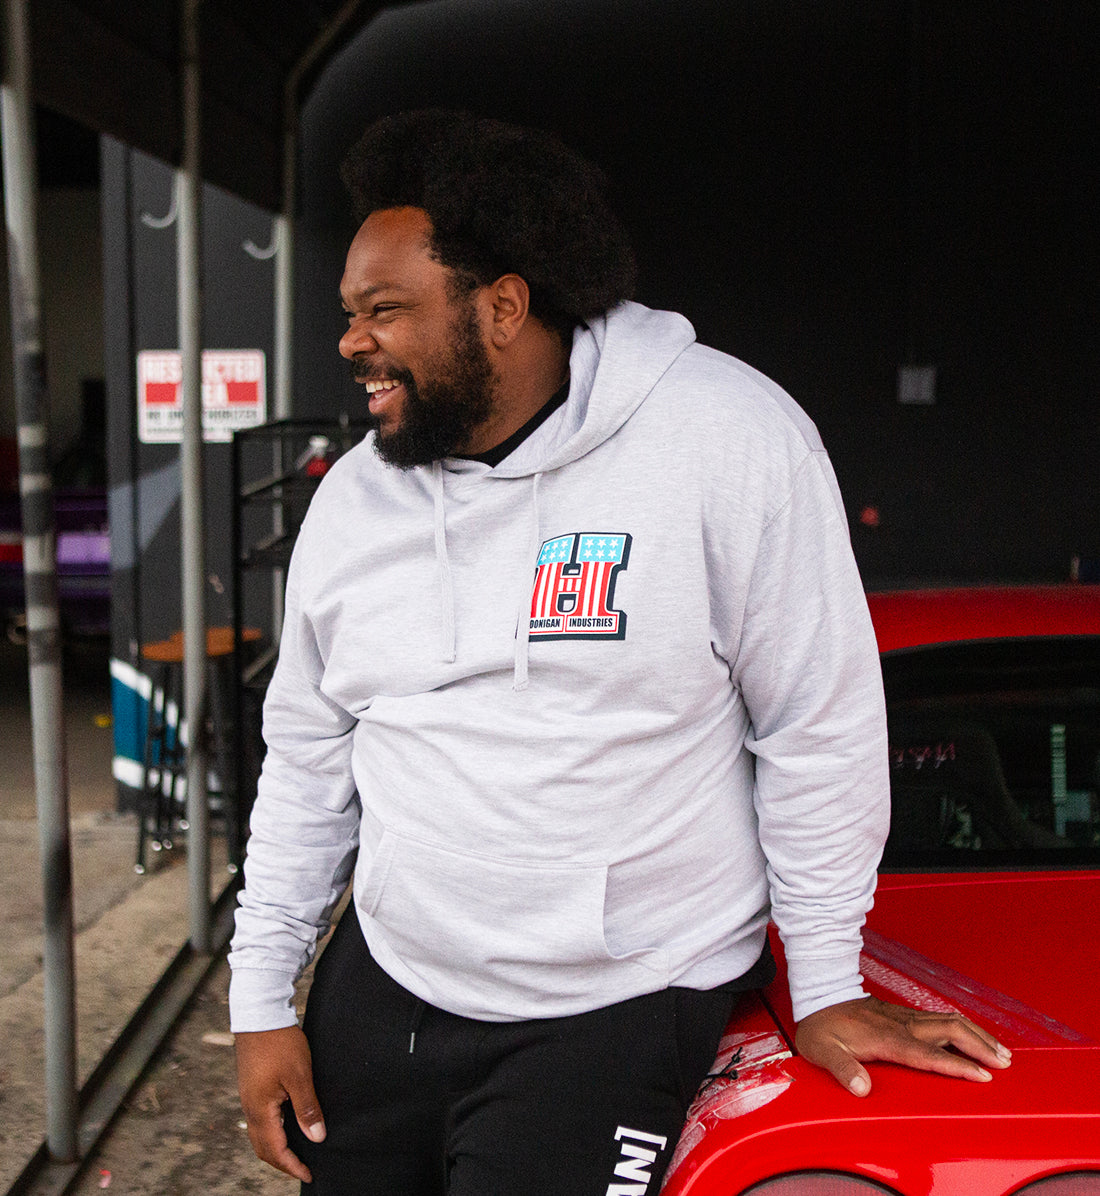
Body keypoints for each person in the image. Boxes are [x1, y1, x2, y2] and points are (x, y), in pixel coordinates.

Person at [229, 109, 1010, 1195]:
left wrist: (826, 981)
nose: (351, 342)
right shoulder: (359, 497)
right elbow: (310, 755)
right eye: (350, 313)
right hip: (392, 980)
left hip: (614, 1003)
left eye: (385, 310)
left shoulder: (727, 439)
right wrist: (261, 997)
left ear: (502, 306)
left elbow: (816, 724)